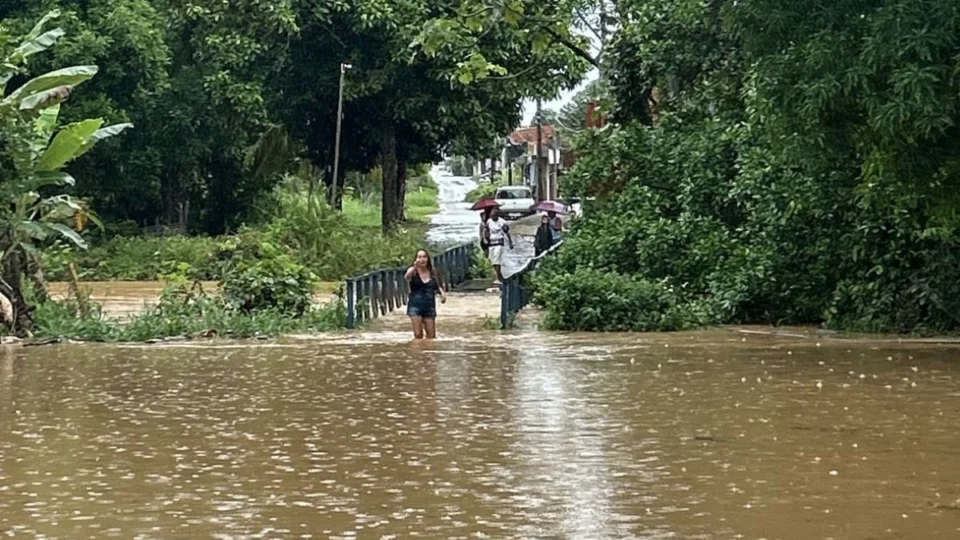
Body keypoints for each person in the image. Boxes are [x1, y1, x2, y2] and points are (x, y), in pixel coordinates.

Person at [405, 249, 446, 339]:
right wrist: (415, 267)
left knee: (431, 336)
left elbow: (438, 285)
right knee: (418, 334)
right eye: (419, 257)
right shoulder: (412, 271)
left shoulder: (433, 272)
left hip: (429, 306)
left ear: (428, 259)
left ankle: (428, 348)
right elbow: (407, 277)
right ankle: (418, 348)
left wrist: (442, 293)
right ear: (416, 259)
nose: (422, 259)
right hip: (415, 306)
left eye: (424, 257)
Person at [486, 207, 513, 284]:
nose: (493, 217)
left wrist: (510, 243)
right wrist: (485, 238)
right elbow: (486, 230)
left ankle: (498, 277)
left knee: (497, 260)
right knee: (493, 260)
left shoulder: (502, 222)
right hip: (491, 243)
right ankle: (499, 275)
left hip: (499, 243)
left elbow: (507, 232)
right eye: (492, 215)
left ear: (497, 215)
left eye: (494, 215)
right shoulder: (489, 221)